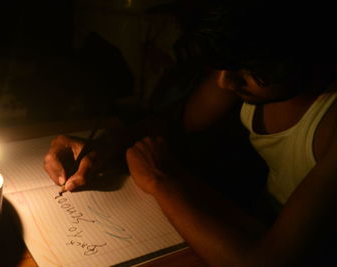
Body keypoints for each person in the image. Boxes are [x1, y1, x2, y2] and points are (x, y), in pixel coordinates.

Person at [44, 0, 337, 266]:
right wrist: (109, 143)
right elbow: (179, 121)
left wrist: (162, 181)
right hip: (254, 224)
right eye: (220, 67)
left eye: (248, 69)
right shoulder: (248, 68)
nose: (224, 83)